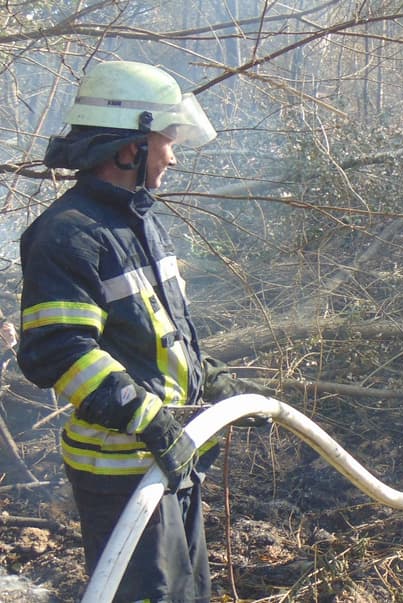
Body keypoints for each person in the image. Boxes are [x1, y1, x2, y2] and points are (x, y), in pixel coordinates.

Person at [17, 60, 245, 602]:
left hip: (168, 455)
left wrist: (204, 375)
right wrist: (149, 420)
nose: (173, 154)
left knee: (187, 593)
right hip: (122, 466)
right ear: (128, 149)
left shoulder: (137, 221)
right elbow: (59, 351)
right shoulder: (67, 234)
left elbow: (156, 327)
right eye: (165, 139)